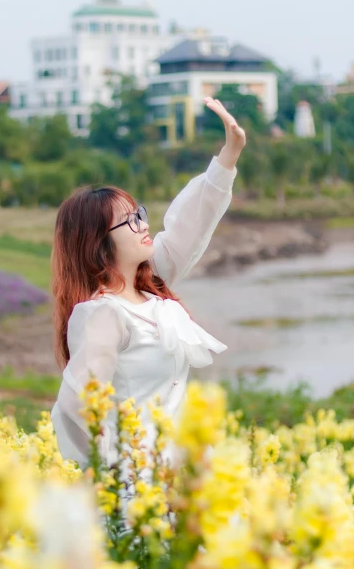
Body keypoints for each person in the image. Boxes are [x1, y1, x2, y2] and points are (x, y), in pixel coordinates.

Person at [51, 97, 246, 469]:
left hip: (182, 473)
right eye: (128, 221)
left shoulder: (151, 288)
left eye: (139, 214)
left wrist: (229, 154)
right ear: (97, 242)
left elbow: (190, 225)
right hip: (137, 485)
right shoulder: (102, 315)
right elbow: (77, 407)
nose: (143, 225)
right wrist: (115, 476)